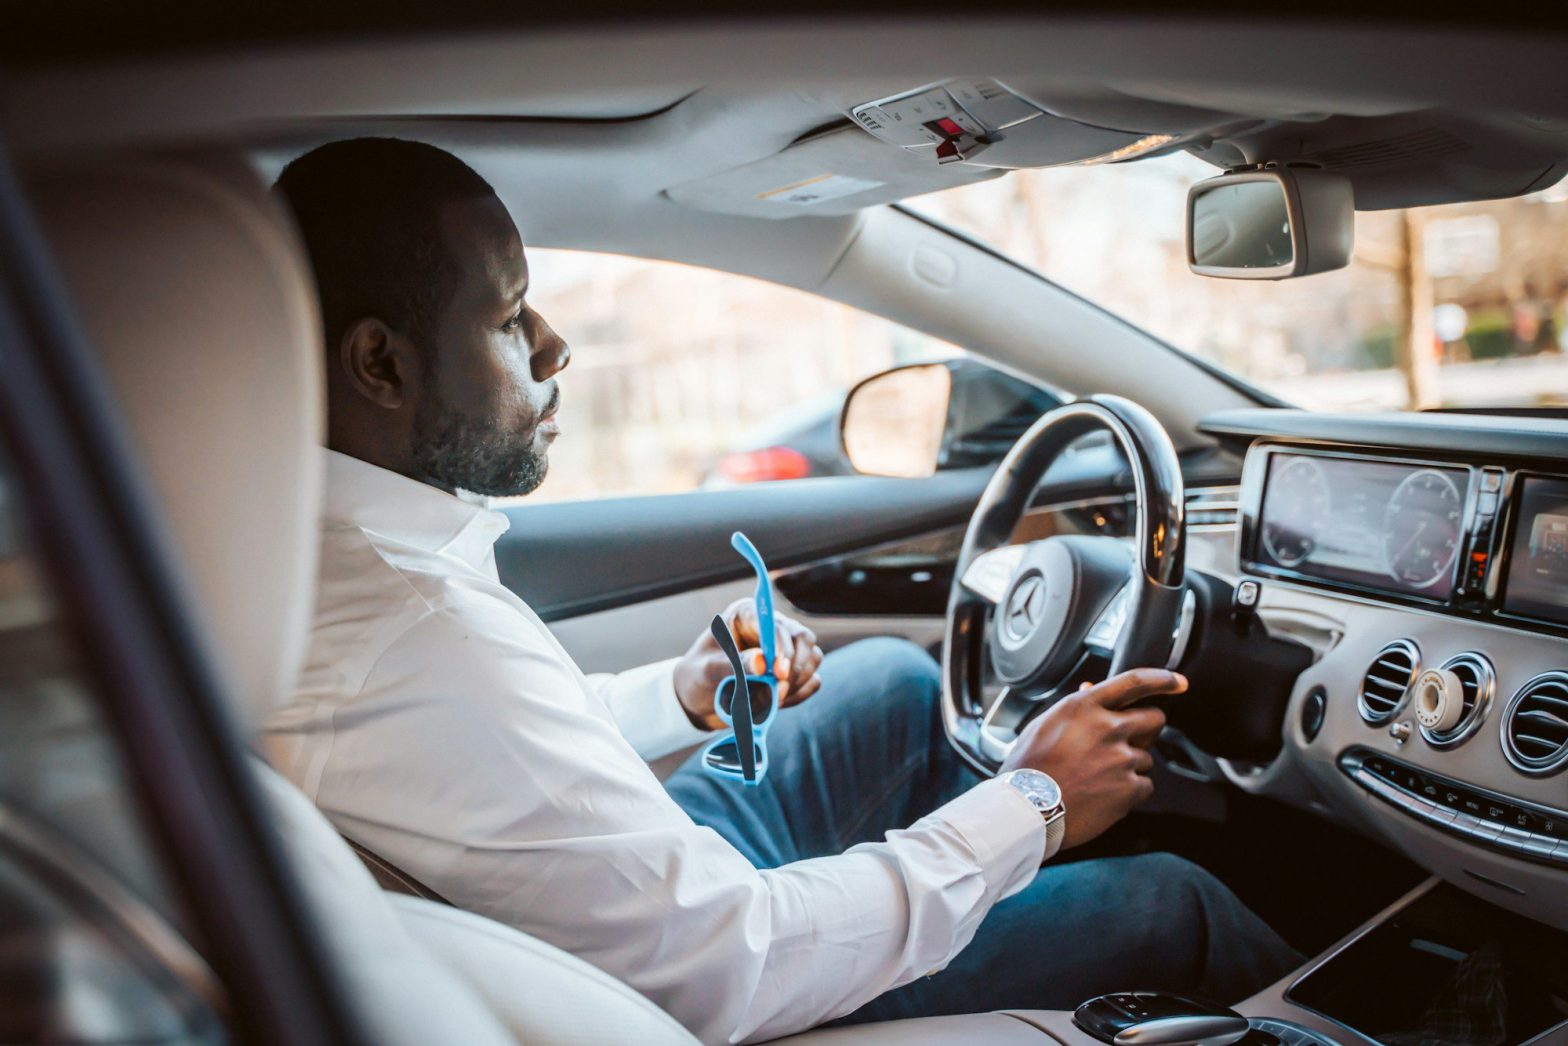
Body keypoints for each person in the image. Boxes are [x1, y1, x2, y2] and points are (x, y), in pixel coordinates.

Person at [264, 137, 1299, 1045]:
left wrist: (677, 692)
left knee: (893, 682)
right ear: (379, 365)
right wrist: (1029, 805)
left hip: (607, 914)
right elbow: (734, 961)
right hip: (696, 993)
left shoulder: (309, 562)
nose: (552, 343)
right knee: (1170, 904)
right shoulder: (410, 631)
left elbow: (486, 765)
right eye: (505, 316)